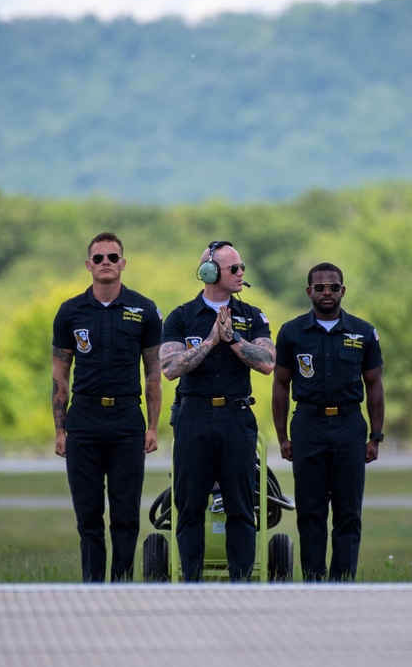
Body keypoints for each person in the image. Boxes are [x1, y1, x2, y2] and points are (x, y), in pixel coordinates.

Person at [159, 241, 275, 581]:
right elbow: (169, 368)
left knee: (241, 505)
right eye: (234, 268)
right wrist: (210, 342)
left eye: (242, 268)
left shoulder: (252, 316)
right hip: (193, 416)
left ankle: (241, 583)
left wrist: (235, 339)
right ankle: (191, 582)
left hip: (236, 418)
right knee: (190, 505)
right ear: (210, 273)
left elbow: (268, 362)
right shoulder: (181, 317)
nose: (241, 274)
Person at [51, 232, 163, 582]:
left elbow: (154, 375)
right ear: (88, 265)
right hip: (83, 418)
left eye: (113, 258)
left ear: (123, 264)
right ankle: (92, 586)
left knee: (126, 512)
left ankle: (122, 583)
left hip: (127, 418)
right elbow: (60, 374)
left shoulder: (143, 310)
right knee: (88, 514)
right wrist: (59, 428)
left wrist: (152, 426)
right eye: (98, 258)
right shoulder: (70, 311)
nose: (105, 264)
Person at [272, 263, 385, 581]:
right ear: (308, 291)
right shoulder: (292, 332)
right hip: (308, 424)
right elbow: (280, 385)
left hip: (349, 424)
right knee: (311, 511)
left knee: (349, 511)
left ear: (343, 291)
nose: (326, 293)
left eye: (333, 287)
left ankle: (343, 581)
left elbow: (374, 386)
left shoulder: (363, 332)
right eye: (319, 287)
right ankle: (313, 580)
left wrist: (375, 437)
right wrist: (282, 436)